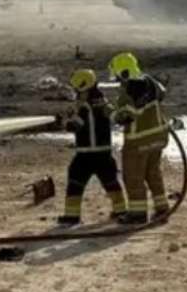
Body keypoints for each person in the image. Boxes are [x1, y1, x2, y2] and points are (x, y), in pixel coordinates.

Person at [57, 69, 127, 226]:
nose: (76, 94)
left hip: (86, 154)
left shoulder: (85, 107)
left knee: (75, 182)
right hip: (104, 153)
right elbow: (112, 115)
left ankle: (72, 216)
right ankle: (121, 210)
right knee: (111, 182)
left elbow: (77, 125)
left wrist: (65, 122)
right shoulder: (102, 100)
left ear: (85, 88)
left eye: (77, 90)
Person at [109, 52, 171, 225]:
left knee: (133, 177)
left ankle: (137, 214)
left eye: (117, 75)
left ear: (123, 72)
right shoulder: (151, 82)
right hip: (158, 137)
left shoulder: (129, 89)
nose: (117, 80)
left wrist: (112, 114)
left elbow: (125, 116)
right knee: (153, 174)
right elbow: (158, 98)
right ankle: (162, 209)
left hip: (138, 141)